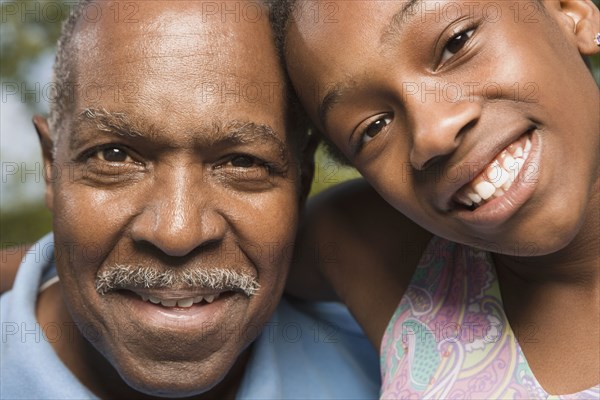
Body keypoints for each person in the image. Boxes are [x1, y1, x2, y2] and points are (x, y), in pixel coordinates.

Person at [0, 1, 382, 398]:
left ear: (301, 185)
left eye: (241, 162)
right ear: (51, 165)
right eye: (114, 156)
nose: (177, 233)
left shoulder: (392, 368)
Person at [275, 0, 600, 398]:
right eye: (372, 128)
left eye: (455, 43)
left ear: (571, 10)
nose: (433, 133)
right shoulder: (375, 252)